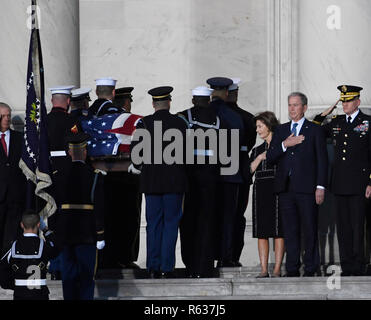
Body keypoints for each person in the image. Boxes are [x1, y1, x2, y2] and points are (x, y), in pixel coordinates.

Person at [267, 92, 328, 277]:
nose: (292, 109)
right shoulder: (281, 130)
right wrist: (286, 144)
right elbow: (270, 157)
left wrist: (320, 186)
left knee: (309, 229)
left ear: (304, 107)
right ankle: (292, 268)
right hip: (285, 189)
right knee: (290, 230)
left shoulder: (314, 130)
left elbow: (322, 160)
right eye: (289, 105)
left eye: (295, 105)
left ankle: (311, 268)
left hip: (308, 189)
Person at [313, 85, 371, 276]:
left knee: (357, 226)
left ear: (357, 102)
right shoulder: (336, 122)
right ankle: (347, 264)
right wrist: (327, 111)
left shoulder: (367, 122)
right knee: (344, 227)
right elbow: (315, 128)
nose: (344, 104)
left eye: (347, 101)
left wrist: (370, 182)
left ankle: (359, 264)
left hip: (360, 184)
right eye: (342, 101)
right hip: (339, 183)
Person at [130, 86, 187, 278]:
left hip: (152, 183)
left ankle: (153, 266)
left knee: (153, 224)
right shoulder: (181, 123)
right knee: (171, 224)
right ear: (169, 102)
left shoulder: (144, 124)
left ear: (153, 104)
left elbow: (136, 155)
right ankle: (167, 267)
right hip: (175, 182)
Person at [56, 131, 105, 300]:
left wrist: (53, 232)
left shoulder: (58, 175)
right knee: (86, 279)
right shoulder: (95, 177)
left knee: (68, 278)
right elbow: (99, 208)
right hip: (87, 234)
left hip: (65, 233)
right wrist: (100, 234)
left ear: (69, 152)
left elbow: (53, 206)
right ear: (85, 152)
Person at [178, 86, 220, 278]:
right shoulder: (218, 119)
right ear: (209, 100)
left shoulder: (183, 117)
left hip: (188, 176)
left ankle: (190, 264)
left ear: (194, 100)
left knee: (188, 222)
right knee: (207, 221)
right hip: (210, 177)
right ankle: (205, 265)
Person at [206, 77, 245, 268]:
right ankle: (225, 256)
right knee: (228, 217)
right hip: (230, 173)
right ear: (227, 93)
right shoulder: (236, 117)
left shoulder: (203, 114)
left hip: (207, 175)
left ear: (210, 92)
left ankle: (206, 256)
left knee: (207, 215)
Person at [249, 111, 284, 278]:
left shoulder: (281, 146)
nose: (257, 130)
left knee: (278, 230)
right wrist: (260, 158)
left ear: (269, 126)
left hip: (277, 189)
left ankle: (277, 269)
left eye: (260, 126)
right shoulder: (257, 150)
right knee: (261, 232)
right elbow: (248, 171)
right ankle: (264, 269)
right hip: (260, 190)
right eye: (257, 126)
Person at [226, 78, 257, 266]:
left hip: (217, 172)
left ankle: (221, 254)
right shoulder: (247, 117)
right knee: (237, 215)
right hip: (238, 171)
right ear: (235, 94)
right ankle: (232, 256)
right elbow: (250, 143)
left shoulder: (215, 115)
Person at [0, 210, 59, 300]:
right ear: (39, 225)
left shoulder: (12, 247)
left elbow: (3, 271)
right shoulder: (44, 246)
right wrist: (45, 230)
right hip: (41, 295)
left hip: (20, 294)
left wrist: (14, 286)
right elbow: (57, 246)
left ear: (22, 225)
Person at [0, 103, 27, 254]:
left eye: (8, 115)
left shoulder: (20, 139)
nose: (6, 119)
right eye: (3, 116)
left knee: (12, 237)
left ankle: (7, 268)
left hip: (15, 197)